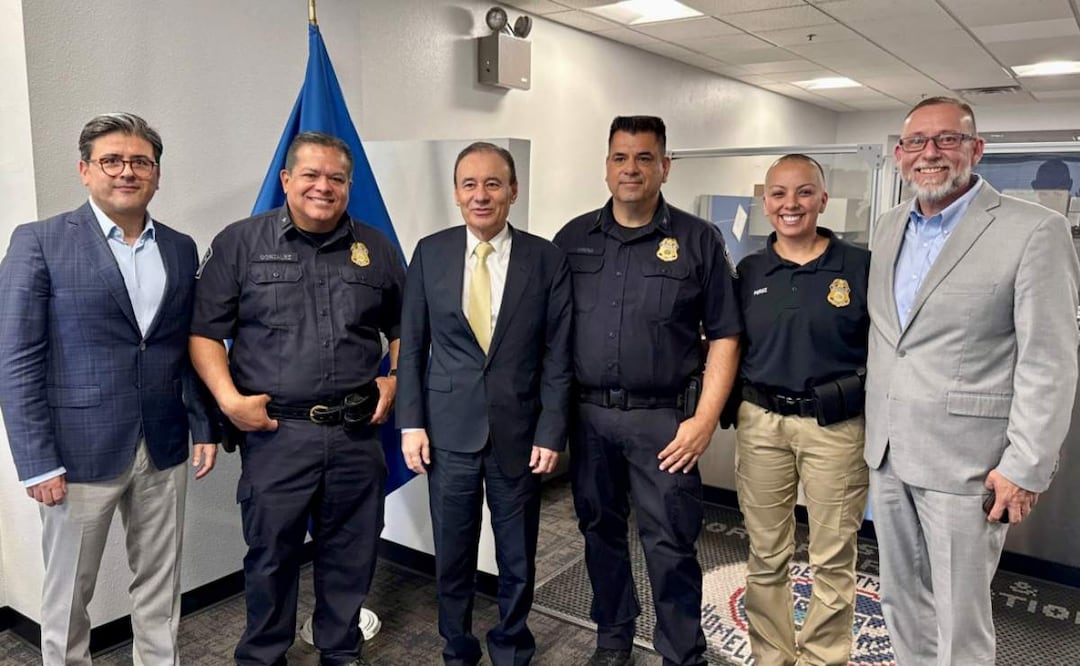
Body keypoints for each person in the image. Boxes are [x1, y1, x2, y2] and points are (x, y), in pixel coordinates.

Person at [865, 97, 1080, 665]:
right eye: (917, 142)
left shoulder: (1034, 230)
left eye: (947, 140)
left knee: (960, 618)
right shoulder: (889, 227)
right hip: (888, 453)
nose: (930, 153)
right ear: (899, 155)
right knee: (899, 601)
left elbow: (1050, 358)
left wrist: (1026, 466)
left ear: (975, 149)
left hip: (967, 464)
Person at [0, 112, 218, 666]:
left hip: (164, 444)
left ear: (157, 174)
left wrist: (201, 424)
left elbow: (180, 347)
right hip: (75, 453)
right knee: (70, 591)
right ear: (84, 170)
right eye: (112, 161)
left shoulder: (179, 247)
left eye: (140, 161)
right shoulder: (39, 241)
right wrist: (36, 462)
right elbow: (17, 357)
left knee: (160, 584)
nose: (127, 171)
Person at [189, 131, 404, 666]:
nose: (322, 187)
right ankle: (264, 655)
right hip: (277, 434)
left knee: (352, 554)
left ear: (349, 186)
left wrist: (395, 377)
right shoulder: (241, 242)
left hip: (356, 433)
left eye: (336, 178)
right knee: (270, 558)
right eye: (310, 174)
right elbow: (203, 333)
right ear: (287, 180)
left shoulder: (375, 248)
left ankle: (339, 649)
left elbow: (406, 326)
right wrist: (230, 401)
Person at [553, 116, 741, 666]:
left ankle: (682, 653)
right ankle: (613, 639)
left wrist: (704, 421)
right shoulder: (572, 239)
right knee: (599, 533)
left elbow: (726, 336)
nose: (630, 169)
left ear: (665, 165)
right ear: (607, 165)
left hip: (664, 422)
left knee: (670, 543)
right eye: (620, 157)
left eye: (643, 158)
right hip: (588, 418)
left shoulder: (697, 239)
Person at [397, 142, 572, 665]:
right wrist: (411, 424)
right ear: (456, 194)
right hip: (447, 432)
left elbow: (557, 354)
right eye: (469, 184)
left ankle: (512, 645)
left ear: (513, 191)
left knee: (517, 552)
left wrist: (552, 430)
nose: (481, 195)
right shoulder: (430, 252)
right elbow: (411, 347)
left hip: (519, 435)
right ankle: (457, 646)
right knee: (452, 552)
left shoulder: (546, 259)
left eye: (493, 183)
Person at [733, 155, 869, 666]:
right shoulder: (749, 270)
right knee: (766, 553)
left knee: (833, 556)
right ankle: (772, 656)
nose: (792, 204)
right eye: (779, 194)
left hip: (835, 425)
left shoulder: (859, 265)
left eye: (804, 192)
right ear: (765, 203)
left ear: (823, 200)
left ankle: (822, 658)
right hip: (762, 422)